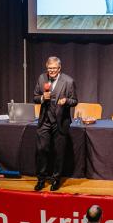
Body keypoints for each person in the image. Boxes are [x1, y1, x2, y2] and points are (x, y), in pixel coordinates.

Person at [32, 56, 77, 192]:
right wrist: (41, 98)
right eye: (49, 68)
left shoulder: (68, 81)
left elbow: (74, 100)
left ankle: (56, 179)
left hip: (60, 122)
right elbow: (35, 97)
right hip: (44, 121)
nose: (51, 71)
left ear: (59, 68)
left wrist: (66, 101)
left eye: (54, 68)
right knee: (42, 150)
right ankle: (41, 179)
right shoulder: (41, 78)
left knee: (59, 153)